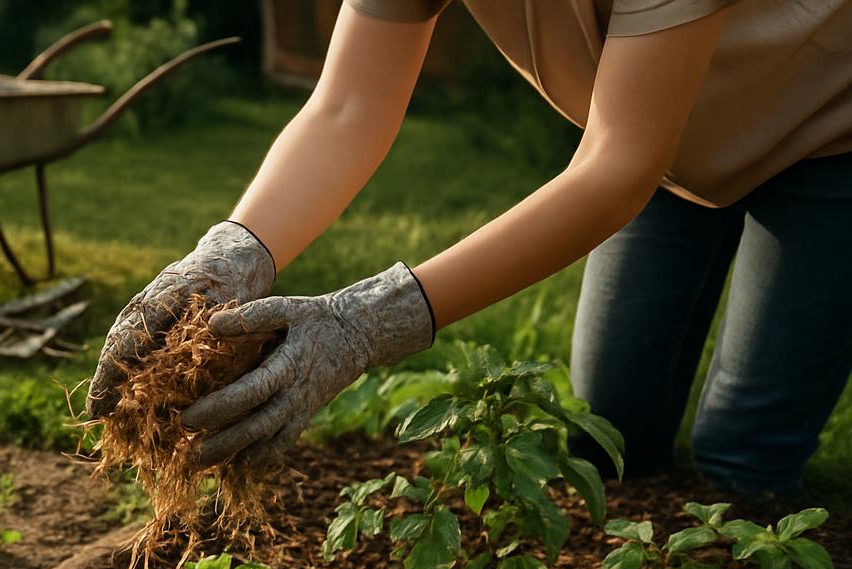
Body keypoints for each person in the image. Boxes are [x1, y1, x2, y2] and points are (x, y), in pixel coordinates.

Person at [85, 1, 852, 496]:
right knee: (609, 435)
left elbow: (617, 168)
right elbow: (349, 105)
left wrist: (365, 322)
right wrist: (227, 254)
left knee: (741, 459)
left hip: (826, 134)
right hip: (662, 148)